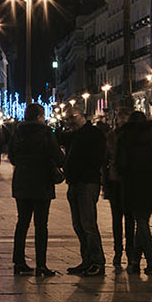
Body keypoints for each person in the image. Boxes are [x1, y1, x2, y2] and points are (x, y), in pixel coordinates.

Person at [8, 101, 65, 277]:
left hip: (22, 182)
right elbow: (58, 157)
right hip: (41, 183)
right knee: (41, 226)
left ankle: (19, 262)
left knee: (22, 223)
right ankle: (41, 265)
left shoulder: (17, 132)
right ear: (40, 116)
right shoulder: (45, 132)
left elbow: (12, 156)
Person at [114, 107, 152, 274]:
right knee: (143, 221)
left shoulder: (124, 136)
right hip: (150, 183)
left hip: (131, 184)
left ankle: (151, 260)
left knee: (141, 222)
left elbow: (119, 163)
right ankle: (136, 260)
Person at [62, 107, 107, 276]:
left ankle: (97, 261)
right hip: (73, 183)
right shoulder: (73, 135)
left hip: (87, 182)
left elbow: (98, 158)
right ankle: (86, 260)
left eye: (72, 118)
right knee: (78, 224)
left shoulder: (94, 134)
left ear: (82, 116)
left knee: (88, 224)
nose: (69, 122)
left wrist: (83, 171)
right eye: (67, 119)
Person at [102, 113, 135, 271]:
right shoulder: (127, 137)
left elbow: (105, 161)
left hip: (118, 182)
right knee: (126, 220)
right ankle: (125, 252)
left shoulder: (111, 137)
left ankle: (122, 252)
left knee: (121, 220)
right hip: (121, 182)